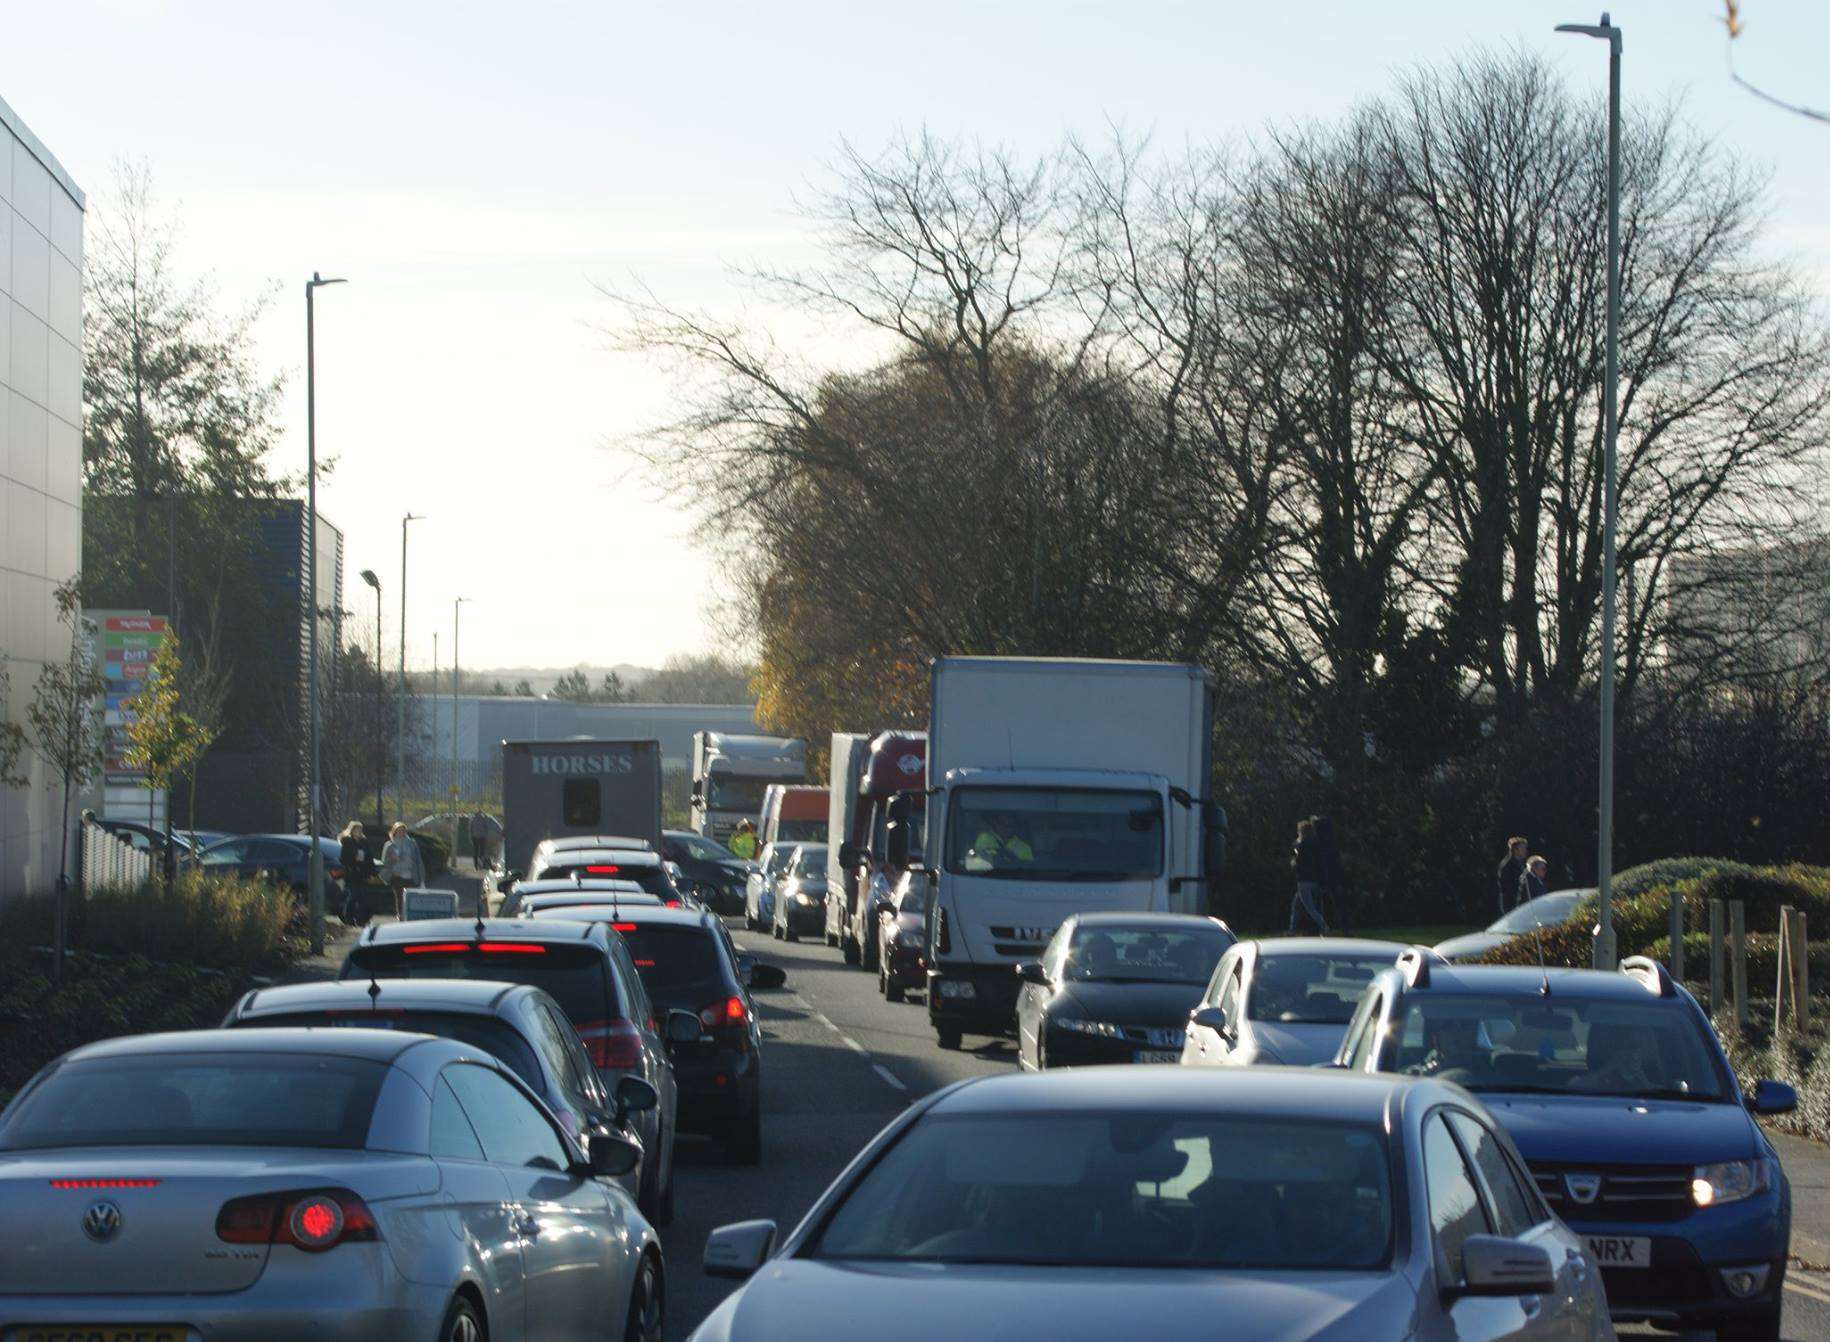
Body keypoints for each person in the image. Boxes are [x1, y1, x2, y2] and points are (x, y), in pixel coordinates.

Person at [378, 822, 425, 920]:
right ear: (394, 832)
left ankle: (409, 914)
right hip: (396, 875)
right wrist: (392, 859)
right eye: (399, 831)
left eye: (403, 831)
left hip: (410, 874)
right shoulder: (389, 845)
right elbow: (384, 862)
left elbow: (418, 860)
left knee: (409, 896)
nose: (401, 833)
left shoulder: (412, 843)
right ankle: (400, 914)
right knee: (399, 896)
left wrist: (422, 876)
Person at [1289, 818, 1327, 934]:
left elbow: (1298, 862)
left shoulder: (1302, 845)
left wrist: (1294, 857)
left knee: (1309, 907)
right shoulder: (1317, 844)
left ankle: (1324, 926)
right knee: (1297, 905)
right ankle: (1292, 929)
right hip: (1315, 880)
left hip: (1304, 880)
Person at [337, 821, 374, 924]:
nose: (358, 832)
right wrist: (354, 859)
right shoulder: (347, 842)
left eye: (360, 830)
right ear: (352, 831)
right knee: (353, 896)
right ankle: (348, 918)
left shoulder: (364, 842)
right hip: (351, 873)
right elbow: (343, 859)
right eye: (356, 830)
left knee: (363, 897)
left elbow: (370, 857)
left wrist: (371, 873)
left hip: (363, 873)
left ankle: (361, 919)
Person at [1496, 836, 1528, 916]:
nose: (1525, 851)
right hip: (1511, 905)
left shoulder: (1522, 864)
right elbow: (1507, 887)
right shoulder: (1507, 866)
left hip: (1521, 904)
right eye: (1523, 848)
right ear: (1515, 850)